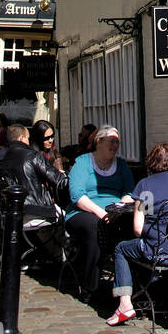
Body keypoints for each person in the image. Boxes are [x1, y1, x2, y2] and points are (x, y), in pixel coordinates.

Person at [107, 143, 168, 326]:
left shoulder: (146, 186)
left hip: (155, 249)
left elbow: (138, 229)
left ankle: (125, 303)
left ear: (151, 162)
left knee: (121, 248)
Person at [66, 126, 136, 301]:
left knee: (134, 227)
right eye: (111, 141)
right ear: (99, 142)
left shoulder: (121, 165)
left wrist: (119, 208)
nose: (115, 145)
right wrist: (100, 212)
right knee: (94, 227)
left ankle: (128, 286)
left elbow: (129, 191)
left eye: (117, 142)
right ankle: (90, 287)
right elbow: (77, 195)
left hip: (115, 212)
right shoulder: (83, 162)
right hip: (83, 211)